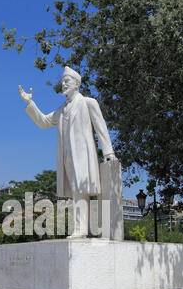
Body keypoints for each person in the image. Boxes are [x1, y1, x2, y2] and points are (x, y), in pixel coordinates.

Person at [19, 66, 117, 238]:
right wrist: (30, 103)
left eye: (67, 81)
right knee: (74, 193)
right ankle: (80, 228)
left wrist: (108, 153)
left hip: (84, 156)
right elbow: (43, 122)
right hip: (67, 158)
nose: (63, 84)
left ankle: (82, 229)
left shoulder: (88, 103)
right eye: (62, 81)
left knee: (81, 191)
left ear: (76, 83)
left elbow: (101, 128)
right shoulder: (61, 110)